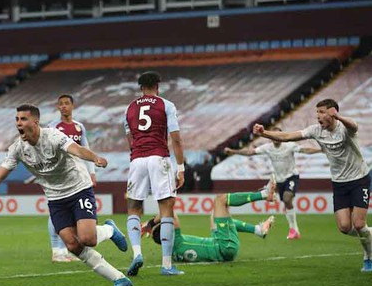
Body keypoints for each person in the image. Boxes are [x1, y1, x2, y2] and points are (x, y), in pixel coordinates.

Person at [0, 104, 132, 286]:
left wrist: (95, 158)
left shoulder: (53, 136)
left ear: (35, 122)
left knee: (88, 238)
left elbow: (77, 149)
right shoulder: (17, 149)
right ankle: (119, 279)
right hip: (55, 198)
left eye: (23, 119)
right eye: (16, 119)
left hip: (79, 189)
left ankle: (110, 230)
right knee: (72, 245)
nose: (18, 123)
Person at [253, 98, 372, 272]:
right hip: (339, 183)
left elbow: (354, 125)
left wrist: (339, 116)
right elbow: (287, 136)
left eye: (322, 112)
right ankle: (369, 234)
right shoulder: (316, 131)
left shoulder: (345, 129)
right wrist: (264, 133)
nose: (318, 116)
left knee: (359, 224)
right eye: (317, 112)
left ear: (332, 112)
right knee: (345, 227)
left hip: (359, 179)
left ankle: (368, 257)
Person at [124, 71, 185, 276]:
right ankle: (167, 265)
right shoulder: (166, 105)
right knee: (166, 208)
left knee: (134, 208)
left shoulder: (130, 108)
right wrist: (181, 167)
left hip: (137, 159)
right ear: (157, 86)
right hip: (158, 157)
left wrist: (138, 155)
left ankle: (136, 254)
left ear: (140, 87)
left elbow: (130, 139)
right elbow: (175, 138)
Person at [225, 127, 321, 239]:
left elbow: (305, 150)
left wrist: (321, 150)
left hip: (291, 176)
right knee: (286, 202)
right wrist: (233, 152)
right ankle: (294, 230)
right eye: (274, 135)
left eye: (278, 135)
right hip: (279, 179)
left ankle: (293, 228)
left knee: (287, 198)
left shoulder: (289, 145)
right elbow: (250, 152)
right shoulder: (268, 148)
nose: (276, 137)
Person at [146, 181, 276, 263]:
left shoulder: (172, 252)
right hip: (224, 247)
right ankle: (265, 194)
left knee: (214, 217)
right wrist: (150, 223)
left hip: (218, 247)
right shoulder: (177, 239)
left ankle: (258, 230)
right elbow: (170, 211)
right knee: (220, 200)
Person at [47, 94, 95, 262]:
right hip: (58, 176)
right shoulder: (53, 127)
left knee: (71, 215)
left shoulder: (79, 127)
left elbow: (85, 148)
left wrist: (92, 172)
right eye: (61, 104)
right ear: (58, 107)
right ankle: (56, 250)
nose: (64, 106)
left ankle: (63, 250)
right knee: (57, 211)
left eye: (67, 103)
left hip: (77, 176)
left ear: (73, 106)